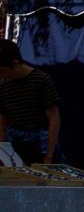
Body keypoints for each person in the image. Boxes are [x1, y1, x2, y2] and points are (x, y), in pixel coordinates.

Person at [0, 36, 62, 165]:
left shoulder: (41, 80)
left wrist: (49, 157)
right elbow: (3, 121)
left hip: (39, 144)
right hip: (14, 146)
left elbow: (54, 119)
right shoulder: (3, 85)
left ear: (15, 63)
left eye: (2, 71)